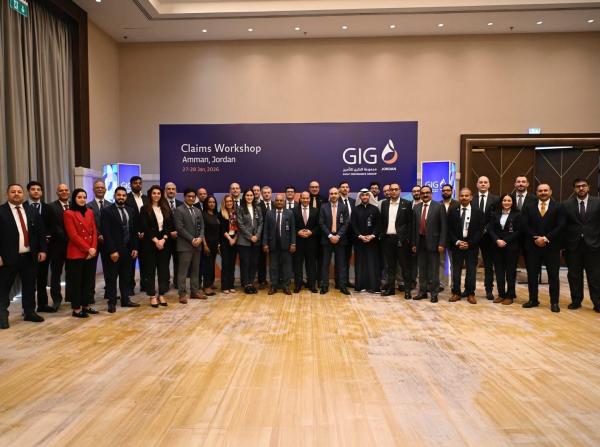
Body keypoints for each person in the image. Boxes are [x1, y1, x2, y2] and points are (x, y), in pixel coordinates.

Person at [0, 184, 47, 328]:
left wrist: (42, 250)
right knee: (3, 287)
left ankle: (29, 312)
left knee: (29, 286)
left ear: (23, 194)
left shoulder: (31, 210)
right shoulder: (1, 211)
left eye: (19, 192)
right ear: (7, 194)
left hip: (29, 256)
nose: (16, 194)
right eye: (13, 192)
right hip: (7, 257)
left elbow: (40, 232)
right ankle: (2, 316)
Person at [520, 183, 565, 313]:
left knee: (553, 276)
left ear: (550, 192)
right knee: (532, 275)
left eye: (545, 190)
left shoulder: (559, 207)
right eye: (540, 191)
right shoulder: (528, 207)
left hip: (552, 247)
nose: (543, 193)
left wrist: (545, 238)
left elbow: (561, 226)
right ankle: (533, 300)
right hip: (533, 246)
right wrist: (536, 237)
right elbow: (524, 225)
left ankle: (554, 302)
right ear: (537, 193)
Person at [562, 178, 600, 312]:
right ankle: (576, 300)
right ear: (574, 189)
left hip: (594, 246)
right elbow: (563, 226)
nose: (581, 188)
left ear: (589, 187)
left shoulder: (598, 202)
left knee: (595, 276)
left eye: (583, 186)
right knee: (574, 275)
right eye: (578, 186)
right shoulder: (566, 205)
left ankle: (597, 302)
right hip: (573, 246)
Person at [101, 187, 140, 312]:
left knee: (126, 276)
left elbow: (134, 231)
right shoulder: (107, 211)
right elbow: (106, 233)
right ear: (114, 196)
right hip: (114, 250)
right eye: (119, 195)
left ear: (126, 197)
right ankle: (111, 302)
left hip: (128, 249)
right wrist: (112, 250)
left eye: (123, 195)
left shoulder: (131, 210)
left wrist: (135, 247)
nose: (121, 197)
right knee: (112, 278)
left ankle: (125, 300)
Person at [64, 189, 99, 318]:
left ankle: (86, 305)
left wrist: (93, 248)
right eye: (79, 197)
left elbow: (94, 231)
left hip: (90, 252)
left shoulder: (90, 212)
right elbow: (73, 235)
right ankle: (76, 308)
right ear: (74, 198)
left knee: (88, 281)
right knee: (76, 282)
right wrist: (88, 249)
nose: (82, 199)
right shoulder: (68, 213)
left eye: (84, 197)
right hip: (76, 253)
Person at [139, 185, 175, 307]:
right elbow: (145, 227)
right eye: (154, 193)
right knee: (150, 270)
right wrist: (156, 241)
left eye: (158, 193)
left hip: (164, 243)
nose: (156, 195)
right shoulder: (144, 209)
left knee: (163, 270)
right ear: (150, 194)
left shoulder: (165, 208)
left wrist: (163, 239)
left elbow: (169, 226)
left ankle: (162, 294)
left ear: (161, 195)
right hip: (150, 243)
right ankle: (152, 295)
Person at [447, 188, 483, 304]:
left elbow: (480, 230)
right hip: (457, 246)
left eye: (466, 196)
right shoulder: (453, 211)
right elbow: (449, 229)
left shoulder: (478, 212)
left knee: (471, 271)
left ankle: (470, 293)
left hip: (471, 246)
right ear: (459, 197)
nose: (464, 198)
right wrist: (457, 242)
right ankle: (456, 293)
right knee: (456, 270)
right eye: (462, 195)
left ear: (471, 197)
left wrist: (470, 243)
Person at [411, 185, 446, 303]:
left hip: (434, 243)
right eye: (423, 193)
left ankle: (434, 293)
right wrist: (414, 243)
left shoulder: (439, 206)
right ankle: (422, 292)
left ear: (431, 194)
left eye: (427, 193)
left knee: (434, 270)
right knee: (422, 269)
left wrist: (442, 243)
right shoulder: (416, 207)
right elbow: (414, 227)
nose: (425, 195)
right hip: (419, 242)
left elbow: (444, 227)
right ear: (420, 195)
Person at [25, 181, 55, 313]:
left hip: (44, 249)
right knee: (28, 280)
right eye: (33, 189)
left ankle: (42, 305)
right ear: (28, 192)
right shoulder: (23, 207)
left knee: (42, 278)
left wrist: (47, 237)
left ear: (42, 192)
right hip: (27, 250)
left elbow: (52, 225)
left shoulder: (48, 208)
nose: (36, 191)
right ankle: (28, 307)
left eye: (38, 189)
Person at [379, 183, 412, 298]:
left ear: (400, 190)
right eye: (391, 189)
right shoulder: (384, 204)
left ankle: (407, 291)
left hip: (401, 241)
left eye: (396, 189)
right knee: (390, 266)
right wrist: (381, 235)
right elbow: (382, 221)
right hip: (387, 240)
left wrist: (406, 238)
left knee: (404, 267)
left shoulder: (407, 204)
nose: (393, 191)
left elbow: (410, 223)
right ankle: (391, 289)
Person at [488, 194, 521, 305]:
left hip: (511, 247)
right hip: (497, 246)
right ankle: (501, 294)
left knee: (510, 272)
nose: (506, 202)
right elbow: (490, 229)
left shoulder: (517, 214)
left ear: (512, 202)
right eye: (504, 200)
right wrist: (497, 240)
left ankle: (510, 295)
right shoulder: (495, 214)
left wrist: (505, 241)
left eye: (509, 200)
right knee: (499, 272)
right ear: (501, 202)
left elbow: (518, 231)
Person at [173, 188, 205, 304]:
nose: (191, 198)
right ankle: (182, 294)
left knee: (195, 270)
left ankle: (194, 292)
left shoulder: (197, 211)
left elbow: (202, 226)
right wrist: (192, 239)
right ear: (184, 197)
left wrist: (200, 238)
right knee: (183, 271)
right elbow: (179, 228)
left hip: (197, 245)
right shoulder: (179, 210)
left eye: (193, 196)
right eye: (189, 196)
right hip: (185, 245)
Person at [471, 176, 499, 300]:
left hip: (488, 237)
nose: (483, 184)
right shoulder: (471, 198)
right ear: (477, 184)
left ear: (489, 184)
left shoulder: (496, 199)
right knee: (471, 264)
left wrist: (487, 229)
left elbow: (496, 217)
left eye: (485, 182)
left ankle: (489, 290)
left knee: (488, 265)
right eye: (480, 182)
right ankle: (469, 289)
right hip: (473, 236)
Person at [263, 194, 296, 294]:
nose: (279, 202)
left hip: (286, 245)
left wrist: (293, 243)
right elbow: (265, 230)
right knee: (273, 267)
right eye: (277, 200)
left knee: (286, 267)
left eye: (281, 200)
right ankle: (273, 286)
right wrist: (265, 244)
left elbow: (293, 229)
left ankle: (286, 286)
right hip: (273, 245)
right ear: (274, 202)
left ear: (284, 202)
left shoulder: (289, 213)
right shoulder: (269, 213)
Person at [319, 187, 350, 295]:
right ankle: (324, 286)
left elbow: (346, 223)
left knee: (341, 264)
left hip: (340, 240)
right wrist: (330, 236)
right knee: (325, 264)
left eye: (335, 193)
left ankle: (342, 286)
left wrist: (338, 236)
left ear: (338, 194)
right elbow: (321, 223)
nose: (333, 195)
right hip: (327, 239)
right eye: (331, 193)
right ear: (329, 194)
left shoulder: (344, 207)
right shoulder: (323, 207)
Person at [352, 189, 381, 293]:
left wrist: (372, 236)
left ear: (369, 197)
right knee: (360, 263)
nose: (364, 197)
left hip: (372, 242)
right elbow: (353, 225)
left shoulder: (375, 209)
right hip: (359, 241)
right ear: (360, 197)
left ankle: (374, 287)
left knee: (372, 263)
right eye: (362, 195)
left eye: (366, 195)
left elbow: (378, 224)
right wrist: (360, 236)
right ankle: (360, 286)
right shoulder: (355, 210)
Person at [48, 183, 70, 309]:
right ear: (57, 193)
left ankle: (71, 297)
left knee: (72, 273)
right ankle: (56, 300)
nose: (64, 192)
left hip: (73, 247)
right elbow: (55, 227)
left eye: (66, 190)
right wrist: (69, 238)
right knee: (56, 274)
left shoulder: (74, 205)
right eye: (61, 190)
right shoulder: (51, 207)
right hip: (57, 247)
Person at [87, 180, 109, 303]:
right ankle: (90, 295)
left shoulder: (111, 205)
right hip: (93, 242)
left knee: (109, 269)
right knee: (91, 270)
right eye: (97, 187)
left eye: (102, 187)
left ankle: (109, 292)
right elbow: (88, 225)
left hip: (107, 242)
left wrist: (106, 236)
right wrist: (98, 235)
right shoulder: (87, 206)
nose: (100, 189)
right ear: (93, 190)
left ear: (105, 190)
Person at [237, 189, 263, 294]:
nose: (249, 197)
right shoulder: (240, 208)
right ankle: (246, 284)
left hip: (256, 240)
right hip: (244, 241)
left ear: (254, 196)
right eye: (247, 195)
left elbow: (261, 222)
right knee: (245, 263)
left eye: (251, 195)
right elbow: (240, 225)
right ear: (244, 196)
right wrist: (250, 236)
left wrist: (257, 236)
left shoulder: (258, 208)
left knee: (254, 263)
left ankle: (251, 283)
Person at [293, 191, 319, 293]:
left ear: (310, 199)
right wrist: (297, 232)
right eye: (303, 198)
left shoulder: (316, 211)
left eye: (307, 198)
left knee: (311, 265)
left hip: (311, 242)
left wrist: (311, 232)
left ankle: (312, 285)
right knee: (297, 265)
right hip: (298, 242)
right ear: (300, 199)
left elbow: (319, 226)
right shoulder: (293, 211)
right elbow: (291, 226)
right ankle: (298, 285)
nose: (305, 200)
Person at [125, 176, 148, 294]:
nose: (138, 185)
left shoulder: (146, 198)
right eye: (135, 183)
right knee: (130, 264)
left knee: (145, 262)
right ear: (130, 185)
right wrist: (136, 232)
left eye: (139, 183)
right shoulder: (126, 198)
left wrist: (145, 232)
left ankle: (145, 285)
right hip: (132, 235)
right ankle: (130, 287)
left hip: (145, 236)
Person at [164, 182, 182, 289]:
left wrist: (178, 232)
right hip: (165, 239)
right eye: (169, 189)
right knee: (164, 262)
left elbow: (184, 222)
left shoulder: (181, 204)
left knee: (178, 262)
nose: (171, 191)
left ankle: (177, 282)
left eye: (173, 189)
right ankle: (165, 283)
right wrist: (169, 233)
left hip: (179, 239)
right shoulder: (160, 204)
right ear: (165, 190)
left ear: (176, 191)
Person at [219, 194, 238, 293]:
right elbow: (221, 229)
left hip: (234, 241)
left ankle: (231, 285)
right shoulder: (221, 214)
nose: (229, 203)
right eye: (227, 201)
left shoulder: (236, 213)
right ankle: (225, 286)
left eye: (231, 201)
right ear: (224, 203)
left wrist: (234, 239)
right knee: (225, 263)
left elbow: (239, 228)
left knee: (232, 264)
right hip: (225, 241)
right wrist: (230, 239)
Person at [202, 196, 220, 297]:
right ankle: (206, 286)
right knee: (207, 266)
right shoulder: (203, 215)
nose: (212, 204)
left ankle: (211, 282)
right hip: (207, 244)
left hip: (215, 244)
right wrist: (205, 245)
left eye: (213, 202)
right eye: (209, 202)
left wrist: (218, 245)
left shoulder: (215, 215)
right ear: (206, 204)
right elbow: (202, 232)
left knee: (212, 264)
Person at [339, 181, 355, 289]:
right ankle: (339, 281)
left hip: (350, 235)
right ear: (339, 189)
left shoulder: (353, 201)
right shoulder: (335, 200)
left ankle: (346, 280)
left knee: (347, 258)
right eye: (343, 187)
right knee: (340, 259)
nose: (345, 188)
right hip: (339, 234)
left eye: (347, 187)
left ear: (349, 189)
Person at [257, 186, 274, 288]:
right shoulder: (257, 206)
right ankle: (262, 280)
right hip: (262, 237)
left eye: (268, 192)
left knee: (275, 259)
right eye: (265, 193)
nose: (267, 194)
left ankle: (276, 279)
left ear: (271, 194)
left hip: (275, 237)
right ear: (261, 194)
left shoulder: (276, 204)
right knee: (261, 260)